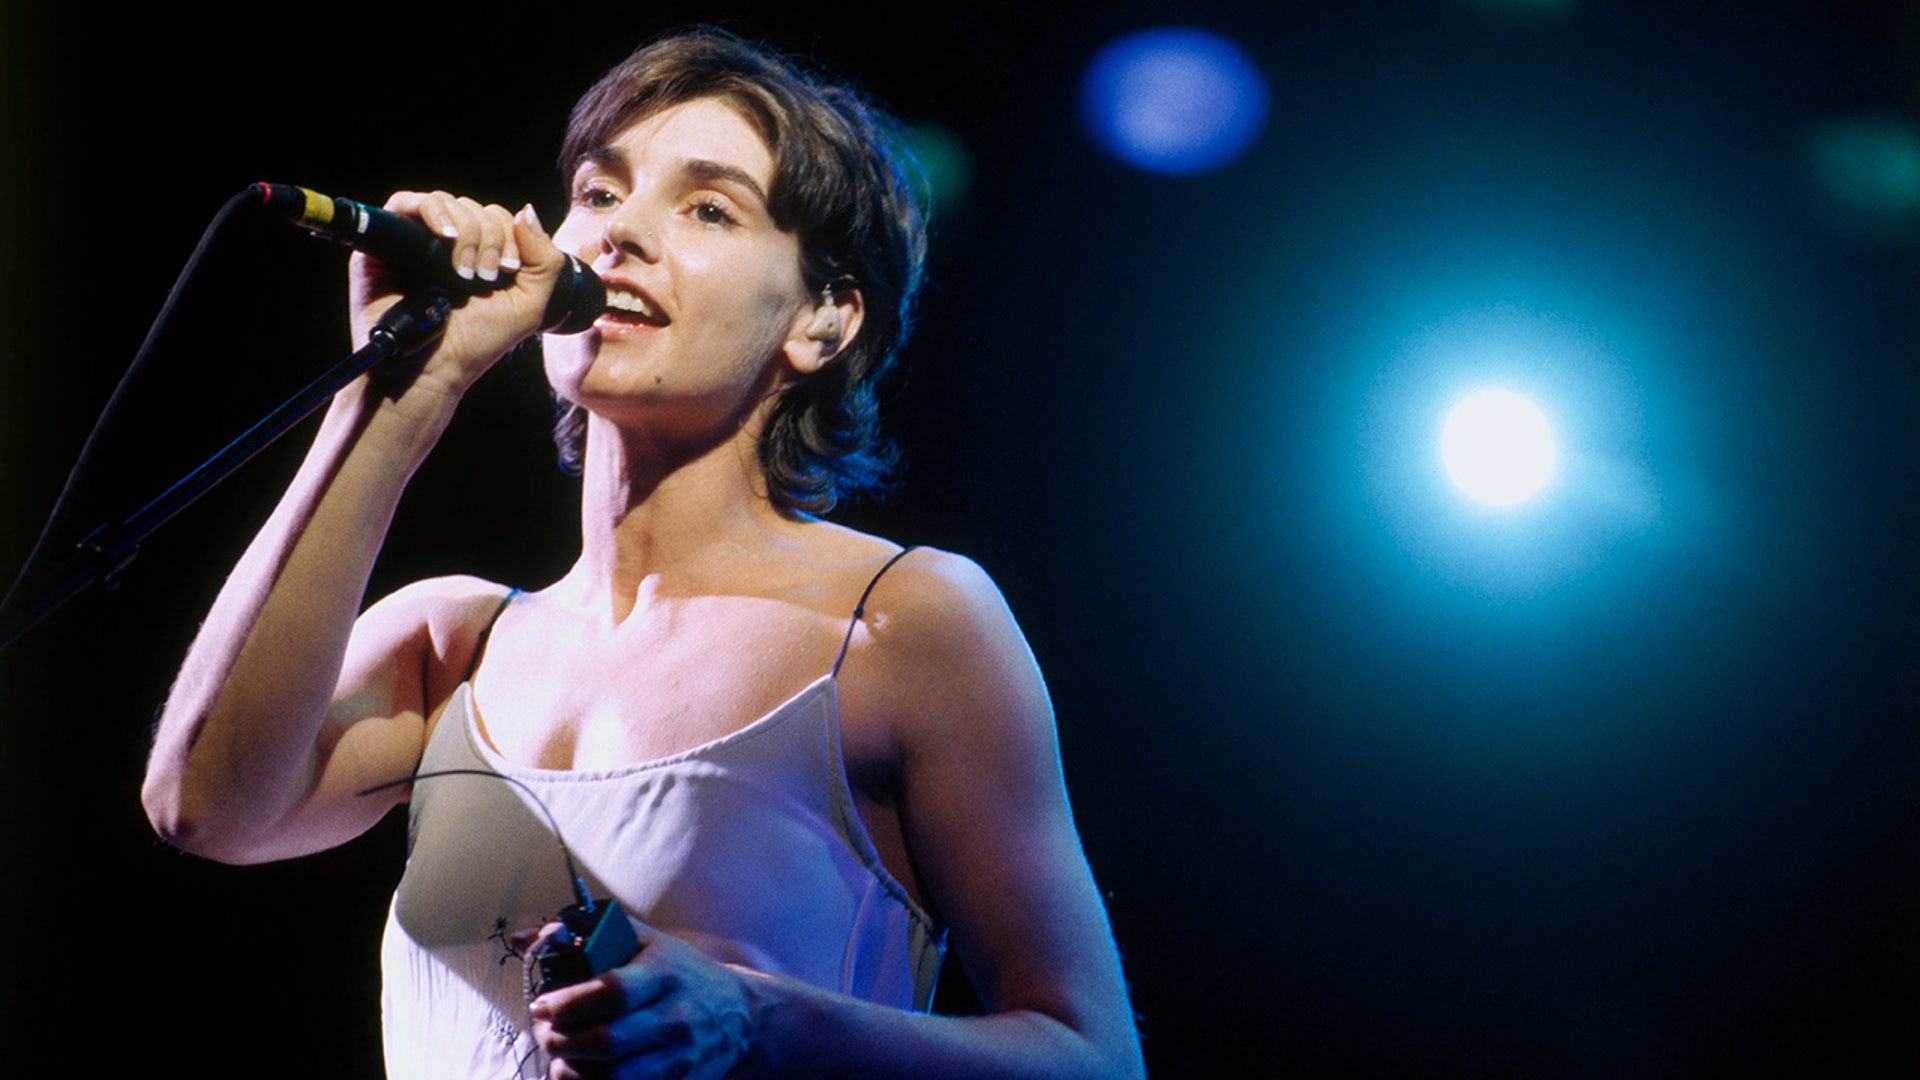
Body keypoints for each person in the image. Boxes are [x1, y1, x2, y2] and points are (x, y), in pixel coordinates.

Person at [140, 27, 1144, 1080]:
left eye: (707, 207)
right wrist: (395, 395)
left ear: (822, 318)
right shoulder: (453, 642)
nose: (620, 236)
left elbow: (1091, 1058)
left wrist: (755, 1019)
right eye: (601, 193)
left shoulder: (904, 622)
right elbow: (200, 806)